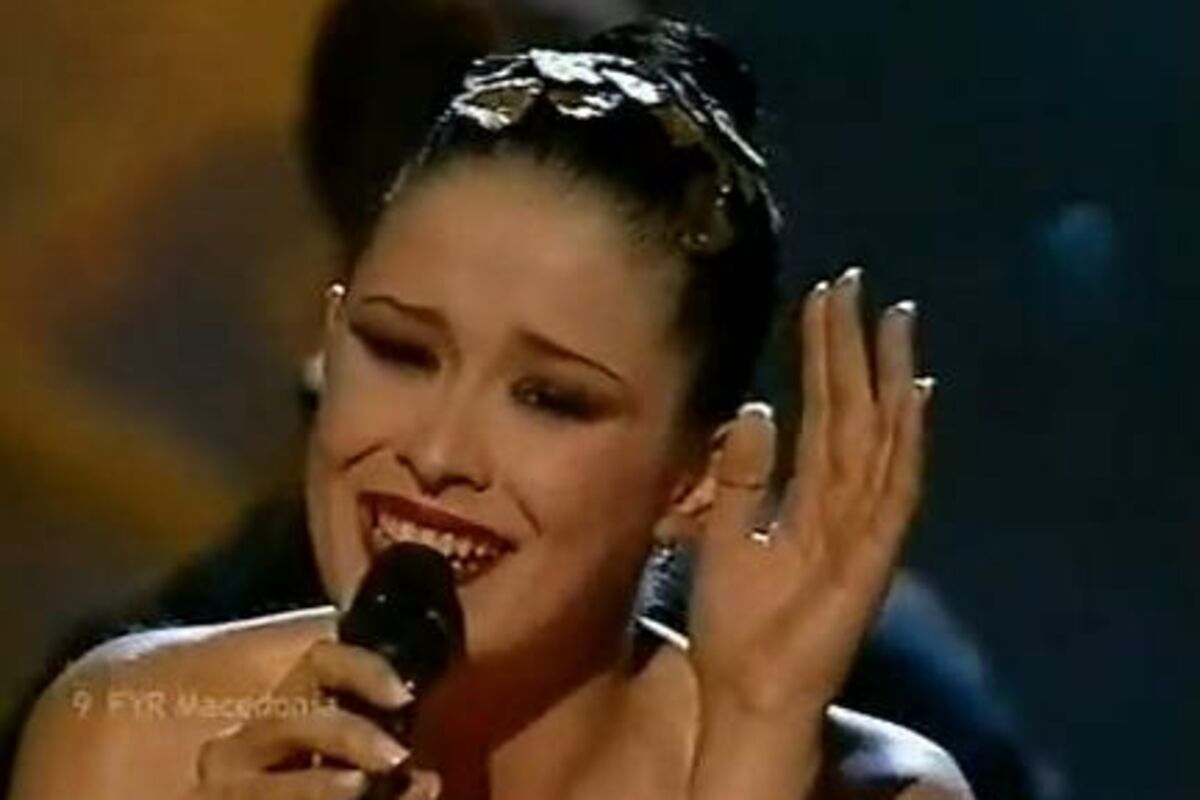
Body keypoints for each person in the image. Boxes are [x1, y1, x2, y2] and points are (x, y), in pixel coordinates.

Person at [8, 18, 971, 800]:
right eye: (400, 352)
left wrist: (751, 757)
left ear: (699, 478)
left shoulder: (874, 795)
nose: (436, 452)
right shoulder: (127, 740)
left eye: (549, 399)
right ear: (330, 341)